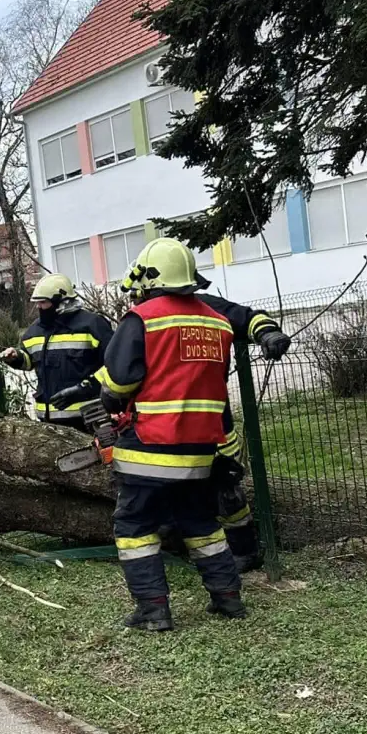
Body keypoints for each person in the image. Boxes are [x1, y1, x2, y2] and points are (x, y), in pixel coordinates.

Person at [95, 238, 244, 632]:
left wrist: (110, 400)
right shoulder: (217, 322)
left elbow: (117, 384)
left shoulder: (142, 318)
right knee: (200, 521)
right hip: (201, 449)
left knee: (135, 528)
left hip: (150, 449)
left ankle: (153, 610)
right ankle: (228, 597)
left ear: (149, 279)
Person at [195, 292, 291, 570]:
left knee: (226, 491)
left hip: (213, 418)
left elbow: (249, 318)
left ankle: (243, 551)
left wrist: (268, 333)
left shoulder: (208, 306)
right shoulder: (144, 316)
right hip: (166, 424)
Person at [0, 273, 114, 429]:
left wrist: (86, 388)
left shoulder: (93, 326)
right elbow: (29, 361)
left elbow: (116, 365)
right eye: (37, 303)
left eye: (43, 303)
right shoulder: (34, 331)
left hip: (89, 419)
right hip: (49, 424)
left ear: (63, 303)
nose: (38, 307)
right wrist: (16, 358)